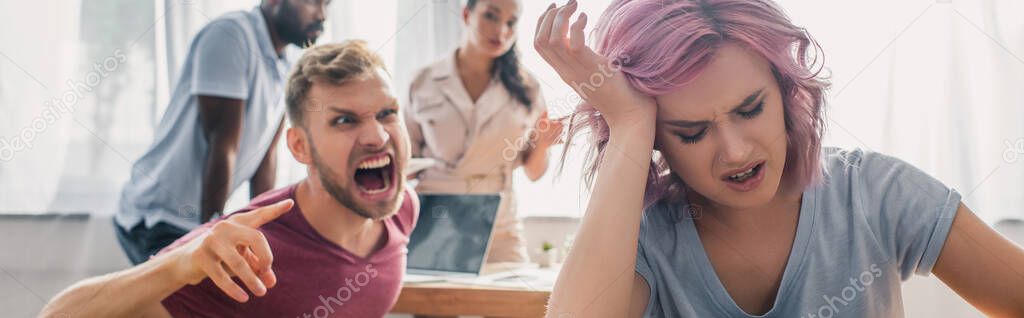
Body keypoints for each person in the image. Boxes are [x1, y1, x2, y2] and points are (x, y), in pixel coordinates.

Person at [535, 0, 1024, 317]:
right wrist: (628, 122)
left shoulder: (875, 192)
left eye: (751, 109)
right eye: (691, 132)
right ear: (657, 143)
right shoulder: (643, 242)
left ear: (788, 94)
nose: (736, 151)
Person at [41, 40, 419, 317]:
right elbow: (58, 315)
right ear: (300, 147)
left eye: (387, 113)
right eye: (345, 120)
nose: (377, 136)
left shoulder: (403, 208)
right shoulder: (250, 251)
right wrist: (180, 262)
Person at [114, 0, 329, 265]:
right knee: (203, 298)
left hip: (191, 219)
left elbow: (266, 155)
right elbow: (223, 145)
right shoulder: (230, 35)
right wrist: (211, 234)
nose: (321, 15)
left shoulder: (289, 63)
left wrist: (263, 232)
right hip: (157, 216)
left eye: (327, 4)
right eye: (312, 2)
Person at [406, 0, 563, 263]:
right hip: (436, 219)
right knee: (433, 301)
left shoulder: (528, 88)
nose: (501, 31)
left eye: (511, 22)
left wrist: (543, 144)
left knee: (512, 302)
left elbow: (534, 173)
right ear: (467, 14)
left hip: (499, 226)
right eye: (491, 16)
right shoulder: (422, 81)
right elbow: (407, 163)